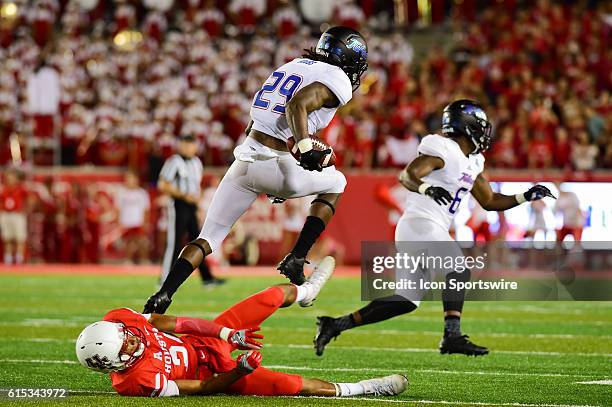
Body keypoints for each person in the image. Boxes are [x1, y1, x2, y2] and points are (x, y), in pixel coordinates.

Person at [144, 26, 368, 314]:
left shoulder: (293, 65)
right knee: (337, 182)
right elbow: (297, 104)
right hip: (278, 163)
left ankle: (162, 296)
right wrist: (303, 146)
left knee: (208, 237)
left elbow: (255, 120)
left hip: (246, 159)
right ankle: (297, 258)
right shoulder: (335, 76)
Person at [314, 99, 555, 357]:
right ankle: (451, 335)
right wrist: (427, 187)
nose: (485, 135)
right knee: (458, 268)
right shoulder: (444, 149)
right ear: (469, 127)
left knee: (406, 301)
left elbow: (490, 200)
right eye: (481, 128)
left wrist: (525, 196)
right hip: (420, 225)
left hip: (423, 229)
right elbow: (408, 175)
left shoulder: (472, 161)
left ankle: (335, 324)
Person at [75, 257, 408, 398]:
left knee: (271, 295)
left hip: (200, 341)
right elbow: (203, 391)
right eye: (128, 347)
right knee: (290, 385)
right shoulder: (135, 382)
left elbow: (176, 323)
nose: (133, 340)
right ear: (114, 364)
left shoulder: (120, 321)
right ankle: (365, 388)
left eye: (127, 336)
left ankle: (307, 292)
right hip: (211, 374)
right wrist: (240, 370)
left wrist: (224, 334)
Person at [157, 134, 223, 287]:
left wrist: (196, 201)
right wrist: (184, 195)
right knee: (175, 242)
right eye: (185, 144)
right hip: (179, 204)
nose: (188, 147)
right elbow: (163, 184)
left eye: (191, 144)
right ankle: (165, 279)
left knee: (198, 242)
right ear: (180, 145)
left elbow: (197, 186)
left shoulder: (196, 162)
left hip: (191, 206)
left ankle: (207, 278)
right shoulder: (174, 161)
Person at [117, 171, 150, 263]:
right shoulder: (121, 193)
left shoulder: (142, 193)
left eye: (132, 179)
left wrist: (145, 222)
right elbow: (118, 208)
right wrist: (118, 222)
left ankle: (144, 259)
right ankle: (128, 260)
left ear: (136, 180)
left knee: (142, 241)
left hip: (138, 220)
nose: (130, 181)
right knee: (128, 242)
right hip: (126, 221)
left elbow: (146, 209)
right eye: (128, 179)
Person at [0, 168, 28, 264]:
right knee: (7, 238)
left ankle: (19, 259)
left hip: (17, 214)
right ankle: (8, 259)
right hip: (6, 214)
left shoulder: (21, 189)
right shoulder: (3, 189)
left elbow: (30, 199)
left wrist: (25, 209)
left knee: (20, 238)